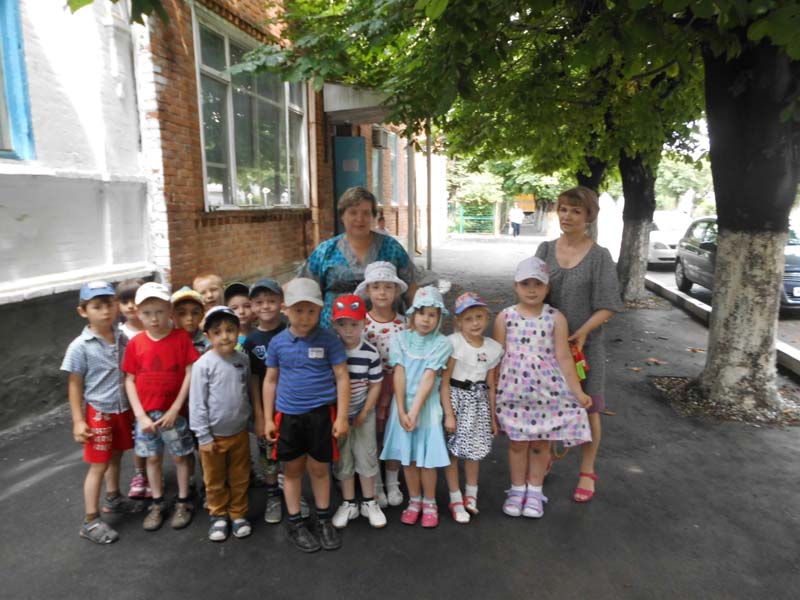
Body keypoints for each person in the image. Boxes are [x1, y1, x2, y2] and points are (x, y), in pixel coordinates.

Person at [534, 186, 623, 502]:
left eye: (576, 211)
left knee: (590, 408)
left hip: (585, 349)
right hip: (545, 347)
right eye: (563, 209)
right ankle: (544, 456)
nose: (567, 216)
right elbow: (530, 290)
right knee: (547, 403)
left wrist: (583, 331)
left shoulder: (599, 257)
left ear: (589, 217)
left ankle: (587, 470)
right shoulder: (545, 250)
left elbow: (609, 304)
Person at [494, 257, 593, 519]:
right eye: (525, 283)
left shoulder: (556, 318)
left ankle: (535, 491)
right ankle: (517, 490)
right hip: (513, 394)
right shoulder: (505, 317)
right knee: (517, 444)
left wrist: (578, 391)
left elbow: (564, 357)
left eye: (537, 284)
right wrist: (490, 392)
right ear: (516, 286)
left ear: (547, 288)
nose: (531, 289)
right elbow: (496, 357)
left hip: (546, 394)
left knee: (540, 443)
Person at [262, 278, 350, 552]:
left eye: (311, 310)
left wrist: (342, 417)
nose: (305, 316)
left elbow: (342, 377)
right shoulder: (278, 343)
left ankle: (323, 519)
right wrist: (268, 418)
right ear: (286, 310)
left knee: (320, 469)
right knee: (292, 470)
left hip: (321, 416)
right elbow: (270, 380)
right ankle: (296, 522)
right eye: (298, 310)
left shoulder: (329, 340)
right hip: (289, 417)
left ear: (320, 310)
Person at [61, 281, 140, 544]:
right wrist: (78, 421)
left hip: (122, 408)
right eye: (97, 306)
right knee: (99, 464)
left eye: (109, 304)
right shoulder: (80, 346)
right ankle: (90, 520)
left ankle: (114, 498)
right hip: (100, 412)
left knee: (116, 455)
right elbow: (75, 384)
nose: (105, 311)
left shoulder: (122, 337)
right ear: (83, 311)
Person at [122, 282, 200, 531]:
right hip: (146, 416)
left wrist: (176, 408)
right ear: (138, 313)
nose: (154, 319)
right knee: (153, 459)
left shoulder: (181, 339)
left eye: (159, 312)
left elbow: (190, 372)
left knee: (180, 457)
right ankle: (157, 503)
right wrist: (140, 415)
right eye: (147, 313)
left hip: (174, 414)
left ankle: (183, 501)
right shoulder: (136, 343)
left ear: (169, 311)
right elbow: (129, 380)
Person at [380, 286, 452, 528]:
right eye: (422, 313)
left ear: (439, 318)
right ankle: (414, 500)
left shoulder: (442, 343)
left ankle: (430, 502)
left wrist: (414, 411)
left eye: (432, 314)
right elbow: (399, 372)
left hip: (426, 408)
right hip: (402, 406)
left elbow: (429, 376)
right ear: (413, 314)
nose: (426, 319)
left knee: (426, 460)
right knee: (408, 458)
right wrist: (401, 410)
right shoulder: (399, 338)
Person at [300, 186, 417, 328]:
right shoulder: (325, 251)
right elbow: (306, 288)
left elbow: (411, 286)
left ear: (373, 216)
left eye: (366, 213)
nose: (359, 219)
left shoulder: (391, 248)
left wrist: (415, 320)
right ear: (342, 216)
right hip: (334, 331)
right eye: (353, 212)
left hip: (385, 330)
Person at [190, 306, 259, 542]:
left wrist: (253, 420)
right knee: (215, 479)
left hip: (239, 433)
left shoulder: (243, 360)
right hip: (213, 437)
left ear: (238, 331)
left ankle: (238, 513)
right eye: (217, 332)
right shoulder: (203, 365)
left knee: (240, 476)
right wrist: (203, 437)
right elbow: (197, 403)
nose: (225, 336)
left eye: (230, 330)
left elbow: (246, 391)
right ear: (208, 336)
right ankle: (218, 514)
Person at [441, 292, 503, 523]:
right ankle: (455, 497)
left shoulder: (493, 348)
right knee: (453, 451)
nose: (475, 323)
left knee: (474, 451)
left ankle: (471, 494)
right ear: (458, 322)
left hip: (478, 404)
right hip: (456, 400)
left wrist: (492, 418)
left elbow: (491, 385)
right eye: (468, 319)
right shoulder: (454, 344)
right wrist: (449, 414)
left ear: (487, 318)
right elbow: (444, 382)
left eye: (479, 317)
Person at [329, 294, 386, 529]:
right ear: (334, 324)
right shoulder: (331, 351)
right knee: (343, 459)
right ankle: (349, 502)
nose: (348, 330)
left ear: (364, 323)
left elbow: (376, 385)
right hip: (338, 416)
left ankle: (370, 501)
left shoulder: (370, 352)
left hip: (364, 413)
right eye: (342, 324)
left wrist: (365, 411)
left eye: (354, 324)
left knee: (366, 455)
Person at [355, 261, 408, 507]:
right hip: (371, 387)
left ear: (396, 291)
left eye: (388, 287)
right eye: (376, 287)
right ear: (368, 291)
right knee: (372, 435)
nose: (382, 293)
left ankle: (392, 481)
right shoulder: (361, 325)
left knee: (394, 433)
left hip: (397, 385)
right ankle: (374, 481)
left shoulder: (405, 324)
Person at [242, 278, 287, 523]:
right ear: (252, 306)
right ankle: (273, 496)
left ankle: (294, 493)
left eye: (271, 300)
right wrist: (260, 416)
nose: (266, 306)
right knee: (268, 456)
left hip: (292, 407)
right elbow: (254, 380)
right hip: (268, 410)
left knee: (292, 455)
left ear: (281, 302)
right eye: (259, 302)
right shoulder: (251, 341)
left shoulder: (291, 330)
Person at [116, 278, 151, 500]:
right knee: (140, 437)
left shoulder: (155, 327)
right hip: (133, 396)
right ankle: (140, 474)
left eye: (134, 300)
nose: (130, 306)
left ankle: (156, 474)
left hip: (156, 392)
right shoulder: (120, 335)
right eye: (124, 301)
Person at [171, 286, 210, 355]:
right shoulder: (166, 341)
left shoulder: (208, 345)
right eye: (182, 313)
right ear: (172, 316)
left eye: (195, 313)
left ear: (202, 315)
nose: (189, 318)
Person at [224, 282, 255, 349]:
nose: (241, 311)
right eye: (235, 308)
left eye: (247, 306)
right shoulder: (226, 340)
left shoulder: (262, 334)